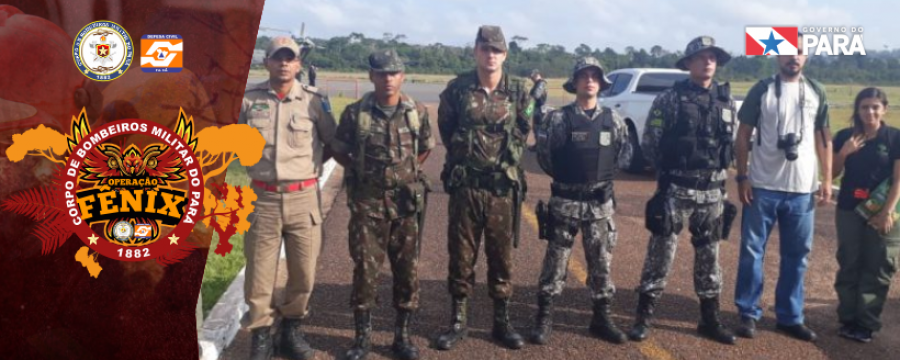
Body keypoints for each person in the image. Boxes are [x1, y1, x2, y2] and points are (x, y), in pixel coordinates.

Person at [628, 36, 738, 345]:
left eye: (712, 57)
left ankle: (710, 319)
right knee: (660, 254)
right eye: (701, 57)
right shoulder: (670, 99)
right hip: (677, 189)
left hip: (714, 193)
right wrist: (669, 175)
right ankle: (643, 317)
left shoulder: (726, 100)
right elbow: (650, 141)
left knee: (710, 258)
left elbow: (729, 145)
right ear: (688, 63)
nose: (708, 62)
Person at [329, 49, 434, 360]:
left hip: (404, 205)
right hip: (367, 205)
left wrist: (406, 172)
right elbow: (339, 150)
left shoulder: (417, 111)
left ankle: (402, 338)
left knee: (407, 271)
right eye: (382, 73)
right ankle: (362, 339)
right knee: (365, 270)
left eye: (394, 73)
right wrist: (362, 174)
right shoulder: (354, 113)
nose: (388, 79)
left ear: (402, 76)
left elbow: (424, 148)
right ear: (371, 75)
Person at [434, 25, 533, 351]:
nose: (490, 55)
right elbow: (446, 129)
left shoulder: (519, 91)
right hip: (467, 189)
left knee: (501, 258)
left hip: (501, 191)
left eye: (496, 50)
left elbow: (523, 128)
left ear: (505, 54)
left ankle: (501, 323)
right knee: (461, 257)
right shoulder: (457, 90)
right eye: (484, 48)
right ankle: (458, 322)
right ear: (475, 51)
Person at [239, 36, 337, 360]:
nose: (284, 63)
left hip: (303, 199)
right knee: (259, 275)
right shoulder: (248, 100)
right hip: (262, 200)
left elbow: (331, 143)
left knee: (304, 273)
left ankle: (291, 331)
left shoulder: (314, 100)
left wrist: (304, 173)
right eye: (277, 57)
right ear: (266, 62)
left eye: (290, 58)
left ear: (298, 63)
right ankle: (262, 336)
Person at [733, 32, 832, 343]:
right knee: (752, 253)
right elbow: (743, 134)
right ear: (777, 55)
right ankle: (748, 313)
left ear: (806, 57)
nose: (794, 57)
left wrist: (827, 179)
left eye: (800, 52)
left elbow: (823, 138)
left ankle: (790, 317)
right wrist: (742, 176)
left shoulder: (816, 91)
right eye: (788, 52)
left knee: (797, 255)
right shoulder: (761, 89)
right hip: (762, 186)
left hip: (802, 188)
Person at [530, 56, 631, 345]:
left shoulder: (613, 120)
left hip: (600, 206)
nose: (589, 80)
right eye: (584, 75)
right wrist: (569, 180)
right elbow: (545, 158)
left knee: (601, 263)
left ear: (601, 83)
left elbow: (621, 156)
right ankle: (544, 317)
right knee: (555, 263)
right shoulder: (558, 119)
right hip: (565, 203)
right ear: (574, 83)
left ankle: (601, 317)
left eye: (595, 76)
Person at [831, 88, 899, 343]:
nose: (869, 112)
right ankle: (848, 317)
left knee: (878, 266)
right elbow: (833, 173)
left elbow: (898, 180)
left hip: (885, 212)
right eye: (864, 107)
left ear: (884, 109)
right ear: (857, 110)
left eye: (875, 107)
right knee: (849, 262)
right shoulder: (845, 136)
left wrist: (887, 212)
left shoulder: (894, 138)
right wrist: (844, 152)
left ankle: (866, 323)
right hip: (850, 209)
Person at [528, 69, 549, 152]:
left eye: (532, 77)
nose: (531, 79)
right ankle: (538, 145)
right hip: (536, 107)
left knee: (538, 127)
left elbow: (536, 95)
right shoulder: (538, 84)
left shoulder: (541, 84)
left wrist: (529, 98)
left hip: (539, 108)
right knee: (535, 127)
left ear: (536, 75)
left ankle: (540, 146)